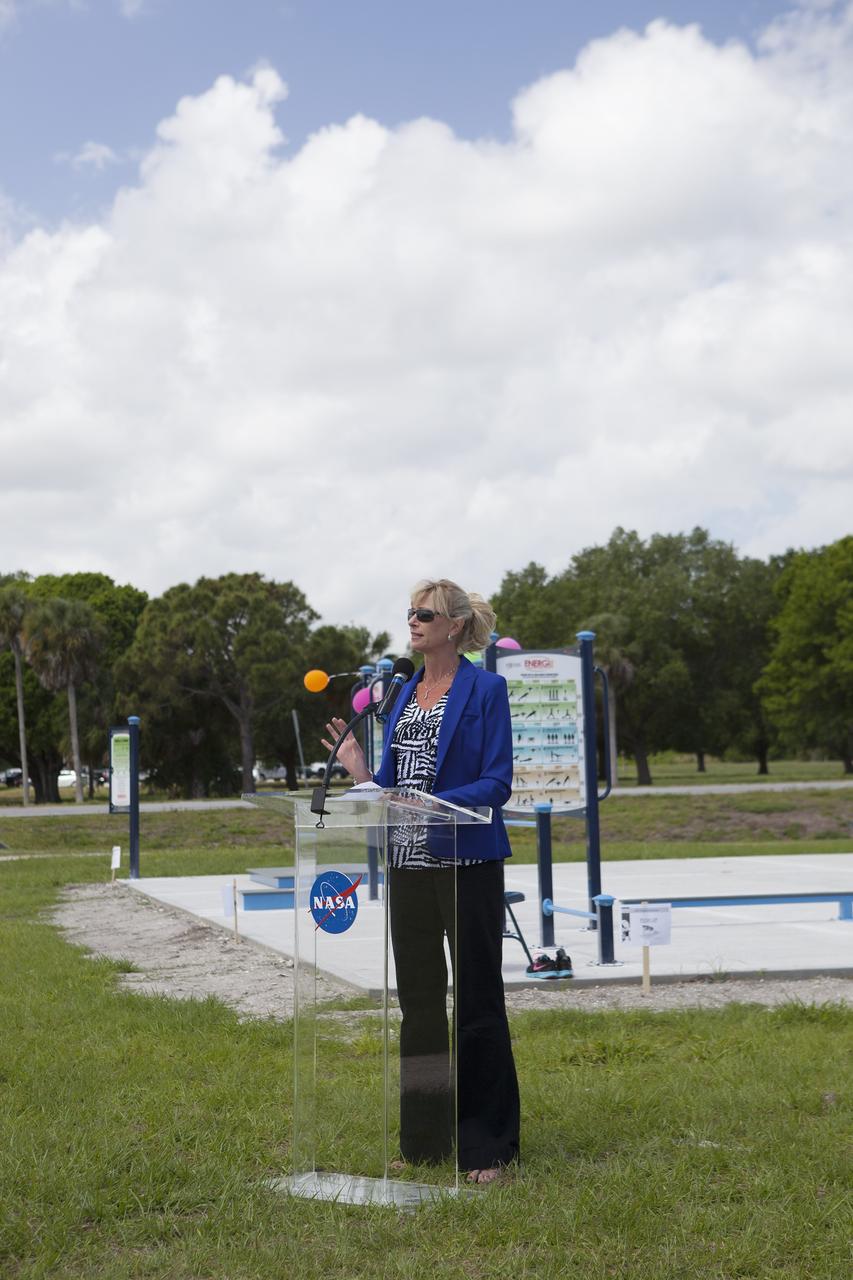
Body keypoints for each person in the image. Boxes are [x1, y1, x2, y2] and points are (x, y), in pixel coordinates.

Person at [321, 578, 520, 1185]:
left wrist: (429, 803)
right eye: (409, 612)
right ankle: (426, 1140)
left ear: (454, 625)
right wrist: (362, 772)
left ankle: (489, 1147)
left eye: (424, 613)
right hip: (408, 866)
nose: (413, 621)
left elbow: (496, 781)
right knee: (421, 1008)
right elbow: (391, 782)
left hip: (467, 865)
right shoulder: (405, 690)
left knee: (478, 1004)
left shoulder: (487, 689)